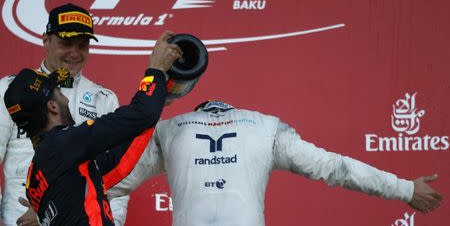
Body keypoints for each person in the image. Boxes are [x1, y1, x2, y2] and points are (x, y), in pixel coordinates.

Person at [109, 100, 443, 226]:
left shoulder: (171, 129)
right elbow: (334, 166)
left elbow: (111, 185)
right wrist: (405, 188)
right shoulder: (265, 127)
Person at [2, 26, 181, 225]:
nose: (67, 100)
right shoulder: (64, 143)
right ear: (52, 106)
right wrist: (155, 70)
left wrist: (157, 99)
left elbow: (117, 163)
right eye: (60, 94)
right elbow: (141, 114)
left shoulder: (36, 176)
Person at [0, 3, 130, 226]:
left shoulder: (104, 98)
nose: (75, 53)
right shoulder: (10, 90)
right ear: (46, 40)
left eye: (83, 45)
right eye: (66, 43)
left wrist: (113, 222)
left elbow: (117, 175)